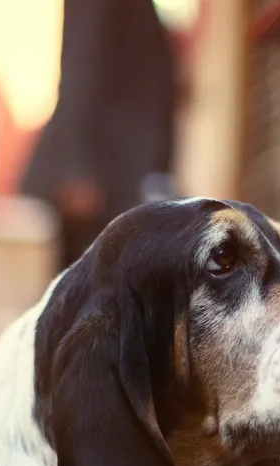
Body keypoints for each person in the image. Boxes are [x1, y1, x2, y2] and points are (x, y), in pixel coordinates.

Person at [21, 0, 178, 268]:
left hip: (119, 172)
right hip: (103, 176)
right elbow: (79, 66)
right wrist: (77, 169)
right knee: (91, 284)